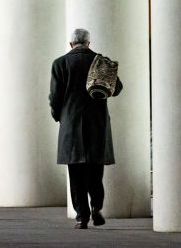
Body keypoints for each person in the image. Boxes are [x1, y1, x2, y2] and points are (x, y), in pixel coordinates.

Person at [49, 28, 122, 229]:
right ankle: (97, 207)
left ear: (71, 44)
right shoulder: (101, 61)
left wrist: (59, 117)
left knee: (76, 173)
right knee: (95, 171)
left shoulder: (60, 63)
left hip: (71, 124)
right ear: (88, 43)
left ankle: (82, 216)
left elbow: (55, 97)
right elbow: (116, 88)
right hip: (97, 124)